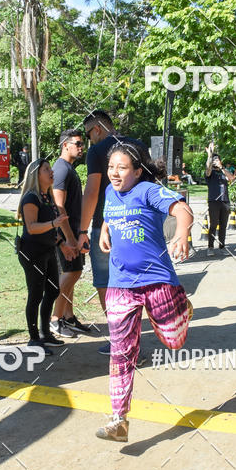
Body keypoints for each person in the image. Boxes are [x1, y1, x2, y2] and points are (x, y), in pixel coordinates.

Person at [95, 141, 194, 442]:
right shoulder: (111, 192)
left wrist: (181, 234)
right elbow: (110, 214)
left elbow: (183, 209)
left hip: (157, 280)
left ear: (137, 171)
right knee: (120, 352)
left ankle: (181, 307)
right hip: (121, 284)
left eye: (122, 168)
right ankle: (118, 420)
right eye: (111, 167)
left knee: (174, 342)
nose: (114, 173)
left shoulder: (149, 190)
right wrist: (104, 229)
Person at [78, 110, 145, 355]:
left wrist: (82, 230)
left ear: (96, 129)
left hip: (106, 227)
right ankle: (132, 340)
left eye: (88, 135)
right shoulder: (137, 145)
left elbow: (92, 191)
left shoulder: (98, 150)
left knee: (106, 284)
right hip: (137, 228)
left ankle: (121, 341)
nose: (88, 141)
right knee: (132, 284)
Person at [16, 159, 75, 355]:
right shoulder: (31, 198)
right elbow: (32, 228)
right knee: (36, 294)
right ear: (36, 175)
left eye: (50, 169)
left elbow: (50, 229)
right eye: (46, 169)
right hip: (32, 252)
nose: (51, 172)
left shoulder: (46, 197)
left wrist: (62, 245)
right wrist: (54, 222)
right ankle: (34, 339)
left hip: (48, 250)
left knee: (52, 290)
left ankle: (45, 333)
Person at [50, 129, 95, 339]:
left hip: (75, 232)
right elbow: (58, 207)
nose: (81, 147)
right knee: (70, 274)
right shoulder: (61, 170)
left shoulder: (68, 168)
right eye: (77, 143)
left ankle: (68, 317)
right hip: (65, 235)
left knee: (74, 273)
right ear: (65, 145)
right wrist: (68, 238)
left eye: (81, 143)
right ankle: (54, 319)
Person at [205, 142, 236, 256]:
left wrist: (222, 167)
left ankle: (222, 246)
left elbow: (232, 178)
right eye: (214, 160)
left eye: (217, 159)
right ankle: (210, 247)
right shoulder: (210, 173)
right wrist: (210, 155)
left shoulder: (223, 171)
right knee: (213, 225)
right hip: (214, 201)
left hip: (225, 201)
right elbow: (208, 169)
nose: (215, 161)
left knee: (223, 225)